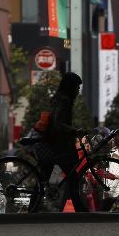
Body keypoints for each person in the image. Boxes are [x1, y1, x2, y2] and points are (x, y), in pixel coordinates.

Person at [36, 72, 88, 212]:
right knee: (73, 177)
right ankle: (79, 206)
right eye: (77, 87)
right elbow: (58, 123)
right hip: (60, 146)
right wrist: (73, 131)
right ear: (70, 87)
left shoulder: (59, 99)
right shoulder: (64, 101)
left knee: (44, 176)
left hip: (53, 144)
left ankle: (33, 206)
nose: (78, 90)